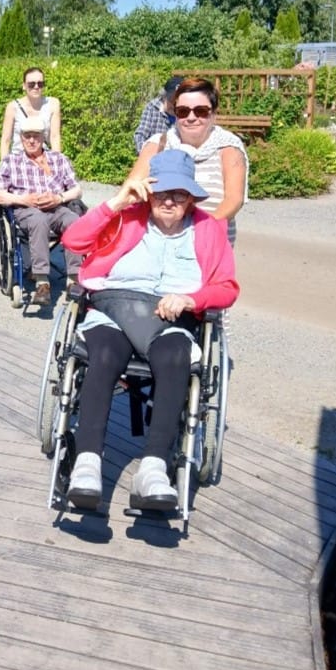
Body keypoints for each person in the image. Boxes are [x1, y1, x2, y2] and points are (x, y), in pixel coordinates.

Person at [60, 150, 239, 510]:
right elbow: (73, 241)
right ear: (148, 192)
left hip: (171, 319)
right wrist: (116, 202)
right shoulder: (126, 218)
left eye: (179, 194)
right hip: (114, 310)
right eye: (161, 193)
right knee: (103, 353)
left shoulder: (208, 228)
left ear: (191, 198)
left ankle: (154, 468)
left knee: (175, 358)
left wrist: (191, 299)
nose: (169, 201)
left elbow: (227, 288)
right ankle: (87, 464)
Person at [129, 77, 248, 245]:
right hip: (160, 245)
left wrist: (198, 232)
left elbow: (234, 200)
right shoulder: (158, 144)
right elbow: (131, 192)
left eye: (200, 111)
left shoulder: (229, 148)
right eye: (183, 111)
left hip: (210, 244)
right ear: (175, 113)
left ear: (213, 113)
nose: (191, 117)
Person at [0, 117, 83, 306]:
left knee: (75, 221)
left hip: (56, 207)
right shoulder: (11, 161)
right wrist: (24, 200)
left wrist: (59, 198)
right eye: (27, 136)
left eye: (36, 136)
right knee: (39, 220)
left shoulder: (58, 159)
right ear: (21, 138)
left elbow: (77, 190)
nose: (31, 140)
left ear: (43, 137)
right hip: (26, 210)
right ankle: (42, 281)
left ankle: (73, 279)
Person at [0, 66, 61, 159]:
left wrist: (57, 161)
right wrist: (4, 163)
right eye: (31, 84)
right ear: (24, 86)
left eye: (40, 84)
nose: (36, 87)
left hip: (42, 159)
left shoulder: (53, 104)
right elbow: (6, 140)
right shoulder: (13, 107)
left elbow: (55, 137)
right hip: (18, 159)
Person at [133, 75, 183, 154]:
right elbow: (140, 135)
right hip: (153, 154)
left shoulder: (187, 113)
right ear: (164, 96)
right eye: (172, 100)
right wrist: (144, 154)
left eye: (178, 101)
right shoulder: (152, 107)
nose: (174, 105)